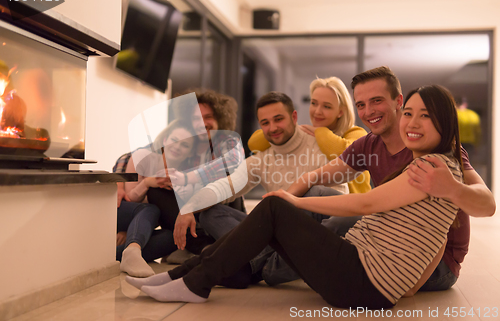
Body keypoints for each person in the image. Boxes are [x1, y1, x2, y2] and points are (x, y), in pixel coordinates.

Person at [125, 84, 464, 308]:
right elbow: (431, 235)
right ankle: (186, 275)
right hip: (359, 269)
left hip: (362, 279)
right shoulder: (436, 165)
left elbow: (365, 203)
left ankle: (197, 279)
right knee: (242, 209)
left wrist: (297, 202)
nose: (412, 122)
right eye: (410, 114)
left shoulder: (432, 167)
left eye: (425, 116)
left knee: (276, 204)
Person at [287, 66, 495, 291]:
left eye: (376, 101)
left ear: (398, 101)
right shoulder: (368, 144)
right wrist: (281, 200)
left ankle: (263, 268)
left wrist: (453, 188)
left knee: (341, 223)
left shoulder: (440, 152)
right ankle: (261, 254)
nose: (368, 112)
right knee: (315, 193)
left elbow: (488, 204)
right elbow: (314, 178)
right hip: (383, 241)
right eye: (361, 105)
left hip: (433, 262)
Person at [172, 91, 348, 287]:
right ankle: (255, 266)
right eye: (265, 123)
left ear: (294, 117)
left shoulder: (320, 145)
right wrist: (188, 207)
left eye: (278, 119)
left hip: (313, 236)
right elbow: (226, 186)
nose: (272, 128)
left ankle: (248, 265)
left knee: (311, 195)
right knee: (210, 213)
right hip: (275, 240)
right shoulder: (262, 158)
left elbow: (339, 204)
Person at [145, 89, 245, 255]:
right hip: (193, 218)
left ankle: (197, 249)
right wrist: (123, 183)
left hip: (220, 212)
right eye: (196, 118)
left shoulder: (228, 141)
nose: (202, 123)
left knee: (221, 194)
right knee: (156, 190)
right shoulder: (187, 145)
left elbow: (232, 163)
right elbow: (145, 152)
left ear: (220, 118)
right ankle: (203, 249)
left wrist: (188, 178)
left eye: (208, 117)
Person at [248, 77, 370, 194]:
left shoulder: (356, 133)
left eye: (326, 106)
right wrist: (285, 129)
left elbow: (345, 156)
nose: (317, 111)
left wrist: (319, 131)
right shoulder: (308, 134)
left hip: (357, 212)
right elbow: (254, 144)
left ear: (341, 112)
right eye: (314, 103)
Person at [116, 119, 199, 277]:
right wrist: (148, 182)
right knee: (151, 208)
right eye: (174, 140)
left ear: (190, 152)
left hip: (143, 226)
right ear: (166, 140)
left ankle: (118, 256)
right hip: (129, 212)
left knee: (171, 237)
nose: (177, 147)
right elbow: (130, 199)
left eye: (185, 145)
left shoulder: (184, 174)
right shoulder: (143, 156)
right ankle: (132, 249)